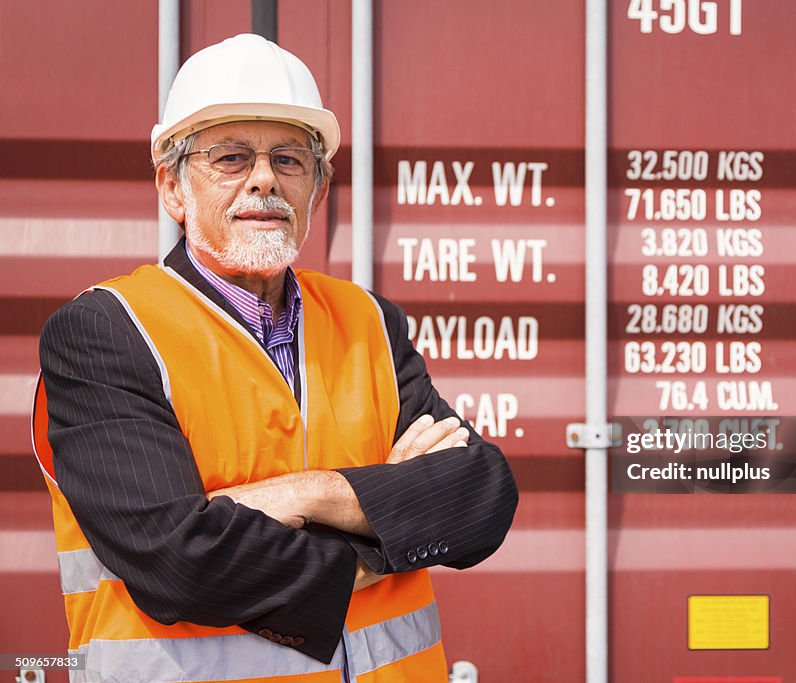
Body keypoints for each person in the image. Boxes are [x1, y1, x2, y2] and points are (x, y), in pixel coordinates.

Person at [33, 33, 518, 683]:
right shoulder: (106, 333)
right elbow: (181, 562)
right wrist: (383, 527)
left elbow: (480, 494)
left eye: (289, 158)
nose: (264, 177)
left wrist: (303, 492)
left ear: (317, 189)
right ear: (172, 187)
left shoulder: (369, 320)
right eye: (231, 157)